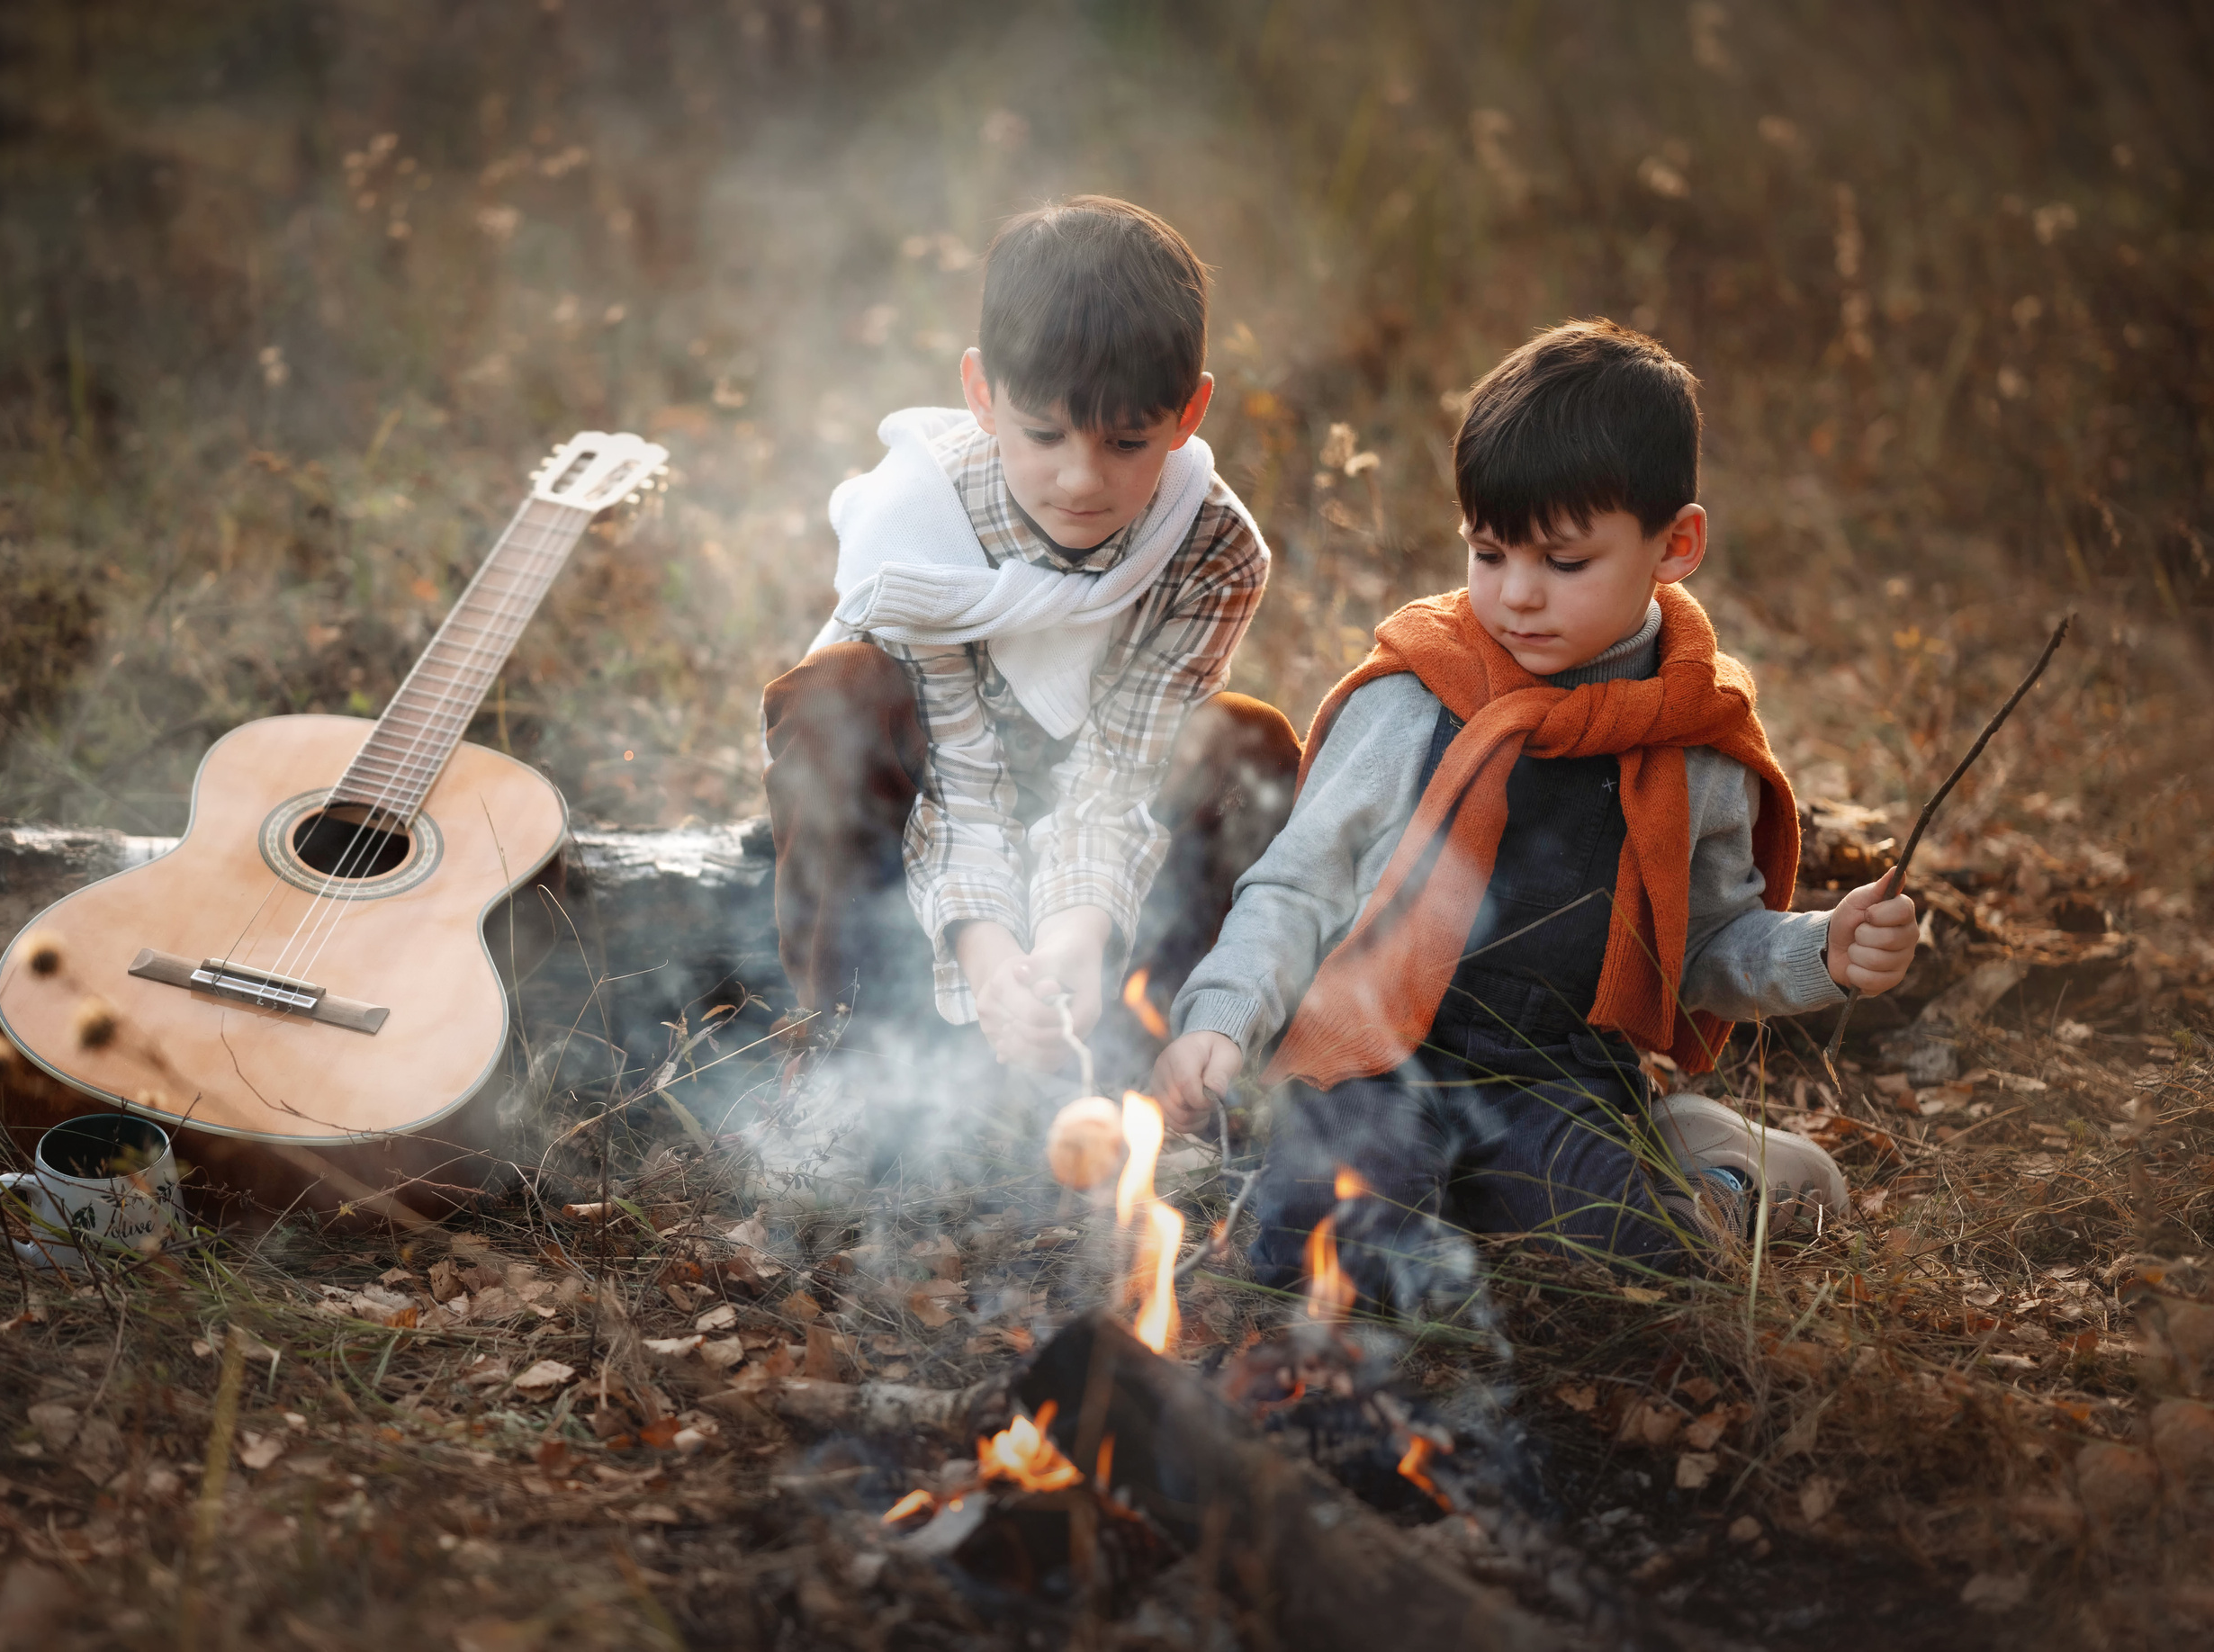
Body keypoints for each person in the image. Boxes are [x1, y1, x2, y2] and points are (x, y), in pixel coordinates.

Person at [1148, 319, 1920, 1298]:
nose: (1516, 595)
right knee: (1316, 1247)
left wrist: (1824, 953)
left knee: (1646, 1267)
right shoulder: (1415, 696)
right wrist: (1222, 1021)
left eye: (1564, 563)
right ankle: (1432, 1191)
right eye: (1489, 552)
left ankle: (1715, 1174)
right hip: (1378, 1054)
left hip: (1555, 1077)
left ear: (1674, 545)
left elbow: (1703, 947)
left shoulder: (1689, 740)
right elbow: (1297, 889)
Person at [763, 195, 1298, 1111]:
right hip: (929, 814)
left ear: (1189, 412)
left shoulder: (1214, 548)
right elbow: (961, 782)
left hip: (1102, 839)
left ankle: (1163, 1050)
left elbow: (1120, 772)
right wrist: (987, 954)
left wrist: (1073, 939)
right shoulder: (917, 528)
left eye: (1127, 442)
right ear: (981, 393)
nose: (1082, 478)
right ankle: (855, 1057)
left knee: (1249, 741)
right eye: (1044, 434)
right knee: (833, 695)